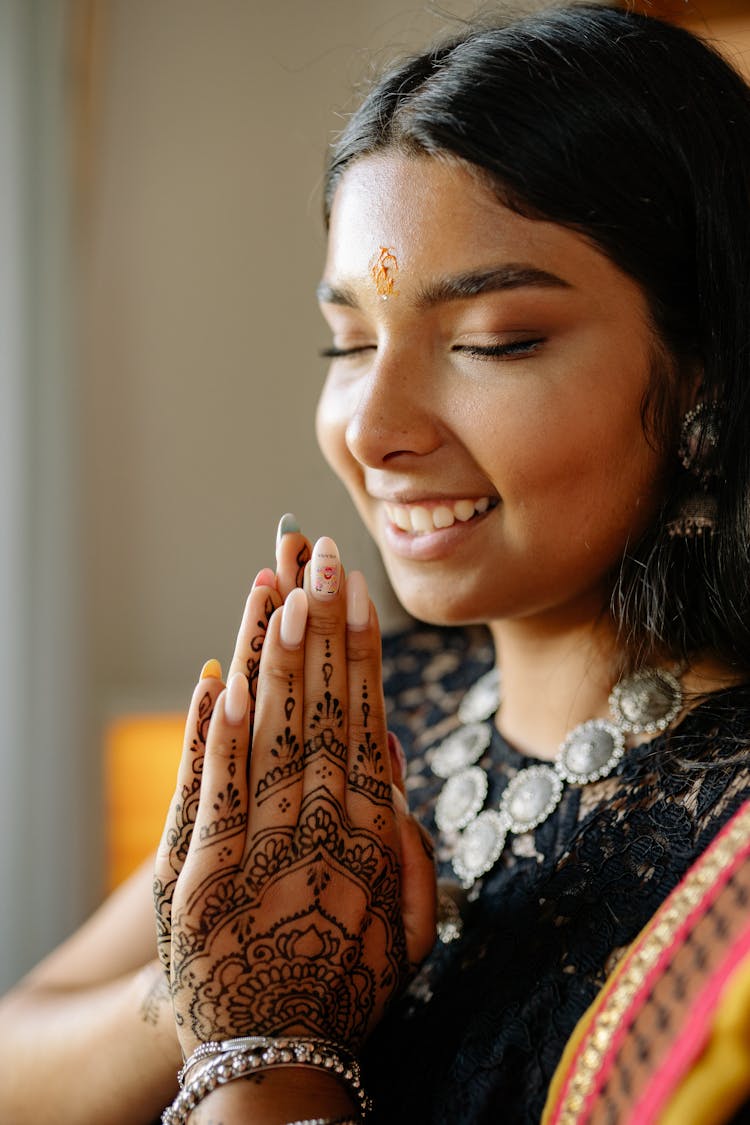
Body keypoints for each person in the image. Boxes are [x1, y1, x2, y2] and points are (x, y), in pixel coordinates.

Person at [3, 3, 750, 1123]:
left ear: (707, 376)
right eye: (349, 344)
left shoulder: (728, 863)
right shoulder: (367, 718)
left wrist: (273, 1049)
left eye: (493, 342)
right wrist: (203, 987)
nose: (371, 425)